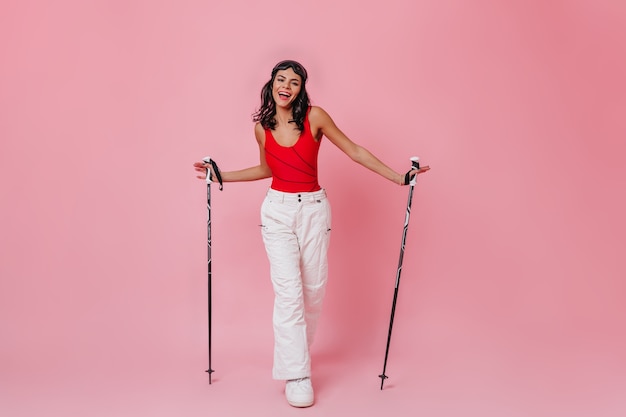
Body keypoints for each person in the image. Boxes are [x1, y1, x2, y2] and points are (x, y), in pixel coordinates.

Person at [193, 60, 430, 408]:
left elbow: (354, 150)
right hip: (277, 212)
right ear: (271, 84)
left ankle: (298, 354)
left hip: (314, 211)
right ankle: (297, 373)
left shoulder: (315, 117)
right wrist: (221, 175)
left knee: (312, 293)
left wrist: (398, 177)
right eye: (280, 79)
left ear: (302, 88)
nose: (286, 85)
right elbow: (266, 168)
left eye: (294, 81)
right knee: (288, 294)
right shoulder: (262, 127)